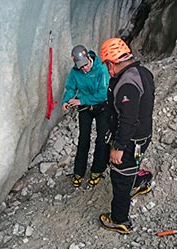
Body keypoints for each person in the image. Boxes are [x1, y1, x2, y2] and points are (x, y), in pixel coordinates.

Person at [98, 37, 155, 234]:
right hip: (141, 136)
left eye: (107, 65)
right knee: (132, 167)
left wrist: (119, 147)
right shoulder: (142, 72)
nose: (107, 70)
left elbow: (129, 120)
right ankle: (140, 181)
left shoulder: (127, 84)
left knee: (120, 176)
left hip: (131, 141)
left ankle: (119, 220)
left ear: (111, 62)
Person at [62, 44, 110, 188]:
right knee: (83, 139)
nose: (85, 69)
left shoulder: (101, 68)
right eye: (81, 67)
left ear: (90, 58)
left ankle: (97, 170)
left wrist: (81, 100)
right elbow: (71, 87)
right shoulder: (75, 72)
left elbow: (103, 93)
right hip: (85, 108)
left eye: (86, 65)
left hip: (101, 107)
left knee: (102, 139)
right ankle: (79, 172)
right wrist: (66, 100)